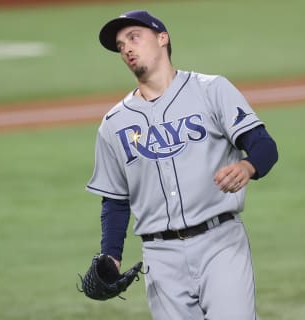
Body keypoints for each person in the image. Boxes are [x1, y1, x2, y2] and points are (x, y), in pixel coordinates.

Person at [85, 9, 278, 320]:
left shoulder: (211, 90)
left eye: (134, 38)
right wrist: (112, 255)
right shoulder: (113, 124)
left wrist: (247, 166)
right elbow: (115, 200)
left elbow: (264, 146)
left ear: (163, 38)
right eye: (121, 46)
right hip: (160, 258)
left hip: (221, 245)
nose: (127, 49)